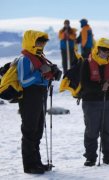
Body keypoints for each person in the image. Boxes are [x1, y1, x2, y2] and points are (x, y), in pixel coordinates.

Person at [17, 30, 58, 174]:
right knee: (29, 130)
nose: (41, 44)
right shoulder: (25, 59)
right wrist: (40, 73)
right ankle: (29, 165)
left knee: (38, 129)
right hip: (29, 97)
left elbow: (43, 76)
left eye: (43, 42)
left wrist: (52, 72)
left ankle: (37, 162)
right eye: (39, 41)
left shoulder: (40, 58)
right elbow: (24, 80)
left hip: (41, 95)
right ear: (31, 42)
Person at [80, 38, 109, 166]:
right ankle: (90, 158)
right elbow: (85, 84)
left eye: (108, 51)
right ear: (97, 48)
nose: (105, 53)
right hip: (91, 102)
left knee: (108, 130)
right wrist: (100, 88)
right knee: (92, 131)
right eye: (103, 49)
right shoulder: (86, 63)